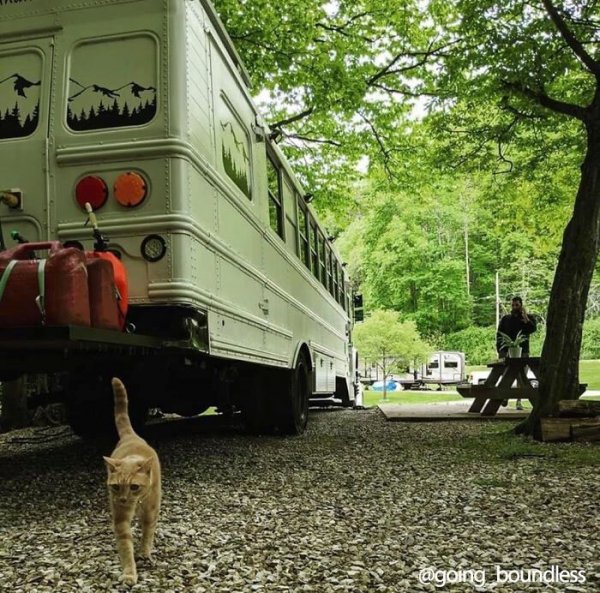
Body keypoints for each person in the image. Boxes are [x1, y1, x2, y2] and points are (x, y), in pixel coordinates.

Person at [496, 296, 537, 410]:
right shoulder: (506, 319)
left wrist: (526, 320)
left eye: (517, 305)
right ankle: (505, 396)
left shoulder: (528, 318)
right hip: (507, 351)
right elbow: (499, 334)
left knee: (522, 376)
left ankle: (519, 401)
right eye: (513, 305)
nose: (514, 307)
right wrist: (500, 349)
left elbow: (533, 329)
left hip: (523, 351)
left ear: (521, 305)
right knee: (507, 375)